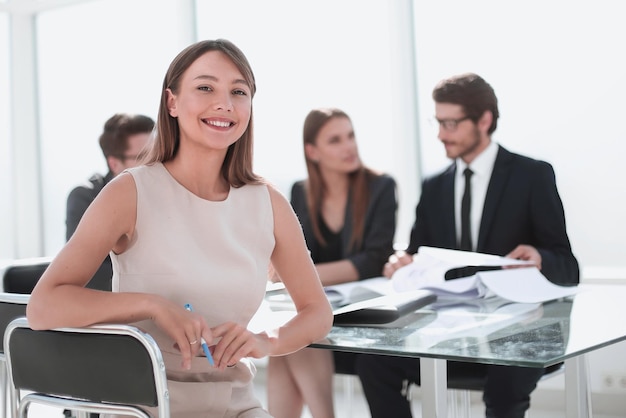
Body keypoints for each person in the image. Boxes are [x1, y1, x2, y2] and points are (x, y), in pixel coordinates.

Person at [27, 38, 333, 418]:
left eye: (238, 91)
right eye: (205, 87)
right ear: (171, 102)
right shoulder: (131, 192)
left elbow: (317, 312)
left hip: (233, 404)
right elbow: (44, 307)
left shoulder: (268, 203)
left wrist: (266, 341)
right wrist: (153, 306)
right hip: (141, 403)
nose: (224, 103)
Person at [354, 72, 580, 418]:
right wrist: (403, 263)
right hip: (450, 331)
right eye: (438, 122)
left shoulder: (532, 175)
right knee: (373, 362)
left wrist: (539, 258)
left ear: (484, 120)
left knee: (506, 382)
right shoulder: (434, 186)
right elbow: (419, 255)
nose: (441, 134)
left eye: (451, 124)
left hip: (515, 333)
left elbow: (567, 265)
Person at [266, 108, 397, 418]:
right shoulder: (301, 192)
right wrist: (288, 272)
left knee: (296, 331)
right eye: (336, 140)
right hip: (323, 309)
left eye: (350, 136)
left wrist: (301, 277)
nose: (349, 146)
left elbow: (374, 260)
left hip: (365, 313)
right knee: (292, 332)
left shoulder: (381, 186)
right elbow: (292, 254)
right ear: (313, 151)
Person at [66, 113, 154, 291]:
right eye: (143, 156)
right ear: (114, 164)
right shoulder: (86, 197)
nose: (154, 162)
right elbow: (92, 275)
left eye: (157, 153)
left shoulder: (164, 192)